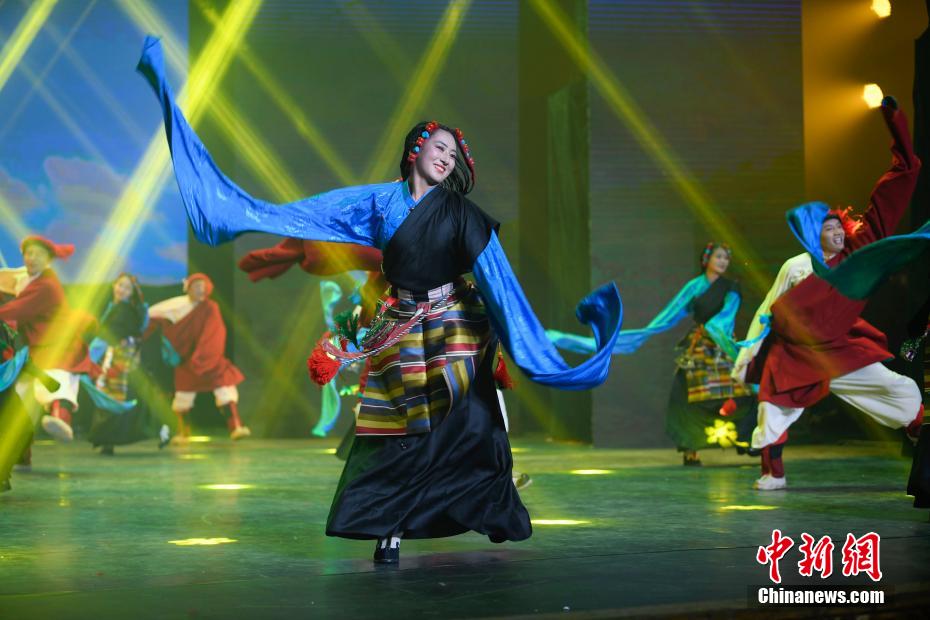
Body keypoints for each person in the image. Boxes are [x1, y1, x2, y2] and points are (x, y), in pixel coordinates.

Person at [138, 36, 621, 564]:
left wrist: (530, 343)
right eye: (439, 148)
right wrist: (247, 214)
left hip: (455, 324)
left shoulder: (461, 213)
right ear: (416, 150)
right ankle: (388, 527)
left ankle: (489, 509)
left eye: (453, 153)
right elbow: (310, 215)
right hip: (401, 323)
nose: (447, 158)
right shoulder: (377, 201)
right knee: (397, 431)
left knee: (473, 422)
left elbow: (496, 277)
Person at [732, 97, 924, 491]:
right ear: (813, 234)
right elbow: (768, 310)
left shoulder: (855, 256)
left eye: (840, 227)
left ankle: (919, 430)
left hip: (838, 348)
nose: (837, 232)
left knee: (895, 388)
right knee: (773, 408)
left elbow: (885, 203)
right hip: (796, 352)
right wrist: (747, 354)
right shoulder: (796, 266)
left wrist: (896, 127)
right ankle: (773, 473)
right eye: (828, 228)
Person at [548, 243, 753, 466]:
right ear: (707, 259)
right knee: (683, 396)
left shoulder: (731, 288)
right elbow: (670, 315)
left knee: (743, 392)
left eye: (726, 258)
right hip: (699, 346)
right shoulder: (694, 287)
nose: (723, 261)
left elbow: (724, 318)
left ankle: (748, 439)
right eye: (719, 257)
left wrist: (716, 332)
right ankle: (690, 449)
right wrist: (646, 332)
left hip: (721, 344)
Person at [0, 236, 96, 446]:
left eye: (38, 254)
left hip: (58, 345)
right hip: (36, 348)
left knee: (56, 381)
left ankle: (61, 419)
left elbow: (17, 310)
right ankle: (17, 446)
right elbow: (9, 280)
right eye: (29, 253)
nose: (32, 258)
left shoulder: (46, 286)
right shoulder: (28, 278)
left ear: (48, 260)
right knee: (18, 395)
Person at [147, 273, 249, 443]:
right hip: (186, 361)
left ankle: (236, 427)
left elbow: (214, 332)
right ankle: (183, 433)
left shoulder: (211, 307)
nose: (201, 290)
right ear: (188, 289)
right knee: (183, 397)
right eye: (196, 287)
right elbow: (153, 317)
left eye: (203, 286)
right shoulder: (177, 306)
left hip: (210, 359)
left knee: (225, 389)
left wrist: (205, 355)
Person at [87, 273, 169, 454]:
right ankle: (160, 429)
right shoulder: (122, 308)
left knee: (115, 397)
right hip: (123, 357)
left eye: (127, 288)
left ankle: (110, 440)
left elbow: (105, 337)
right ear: (114, 285)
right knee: (127, 396)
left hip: (122, 360)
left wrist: (86, 358)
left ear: (132, 292)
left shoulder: (122, 310)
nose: (122, 290)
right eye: (120, 285)